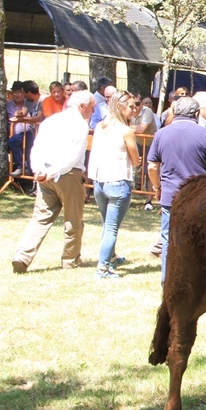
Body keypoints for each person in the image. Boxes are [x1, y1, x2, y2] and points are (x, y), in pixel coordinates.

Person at [11, 90, 95, 273]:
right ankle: (70, 259)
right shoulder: (80, 125)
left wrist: (39, 169)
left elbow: (37, 147)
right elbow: (73, 156)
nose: (93, 112)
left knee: (40, 218)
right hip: (66, 174)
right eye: (92, 108)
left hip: (45, 173)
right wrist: (53, 171)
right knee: (73, 219)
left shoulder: (51, 121)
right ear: (82, 107)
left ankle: (22, 256)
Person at [147, 96, 206, 284]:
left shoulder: (161, 134)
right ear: (196, 114)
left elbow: (152, 167)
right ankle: (194, 281)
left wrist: (157, 187)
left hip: (170, 196)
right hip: (197, 197)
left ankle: (168, 281)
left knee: (168, 240)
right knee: (198, 240)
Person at [88, 91, 141, 278]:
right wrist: (138, 159)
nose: (135, 110)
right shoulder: (126, 131)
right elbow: (135, 160)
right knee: (111, 228)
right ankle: (102, 268)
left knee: (107, 224)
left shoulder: (101, 127)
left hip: (100, 182)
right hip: (118, 182)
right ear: (120, 106)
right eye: (131, 106)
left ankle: (109, 257)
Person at [7, 81, 38, 177]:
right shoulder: (7, 105)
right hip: (14, 134)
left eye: (20, 92)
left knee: (30, 153)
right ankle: (22, 166)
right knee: (11, 141)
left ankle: (30, 177)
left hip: (29, 133)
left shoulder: (29, 103)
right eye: (15, 92)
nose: (17, 95)